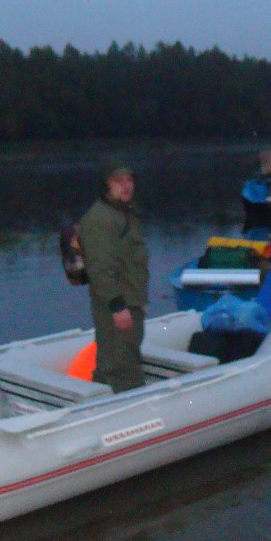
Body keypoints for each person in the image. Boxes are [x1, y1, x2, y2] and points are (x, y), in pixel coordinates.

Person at [78, 157, 149, 392]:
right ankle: (132, 419)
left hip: (131, 300)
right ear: (106, 185)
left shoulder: (123, 215)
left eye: (129, 180)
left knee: (115, 361)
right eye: (118, 181)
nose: (126, 185)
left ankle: (101, 402)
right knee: (122, 367)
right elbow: (100, 268)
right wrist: (118, 306)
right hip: (116, 306)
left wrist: (138, 302)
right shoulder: (100, 220)